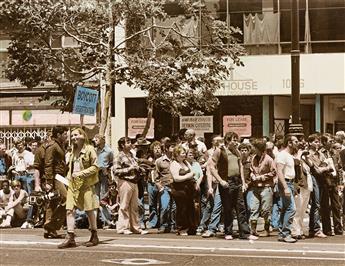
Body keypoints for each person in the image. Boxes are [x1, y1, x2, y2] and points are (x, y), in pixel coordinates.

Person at [210, 131, 257, 241]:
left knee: (241, 207)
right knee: (228, 208)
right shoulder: (220, 151)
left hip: (237, 182)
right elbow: (212, 167)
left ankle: (244, 233)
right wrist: (220, 180)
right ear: (227, 140)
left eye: (237, 140)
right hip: (227, 182)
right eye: (234, 140)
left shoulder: (237, 151)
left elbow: (240, 166)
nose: (236, 142)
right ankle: (228, 231)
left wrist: (243, 182)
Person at [58, 127, 100, 249]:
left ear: (83, 136)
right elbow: (71, 168)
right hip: (73, 184)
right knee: (69, 209)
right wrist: (67, 180)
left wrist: (81, 174)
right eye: (72, 136)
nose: (73, 137)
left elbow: (95, 167)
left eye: (76, 135)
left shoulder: (90, 149)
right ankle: (70, 236)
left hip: (86, 184)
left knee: (89, 209)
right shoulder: (72, 150)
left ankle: (94, 234)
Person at [35, 126, 68, 239]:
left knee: (52, 202)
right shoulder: (52, 146)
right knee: (66, 199)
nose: (66, 136)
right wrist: (49, 181)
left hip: (60, 177)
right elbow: (48, 164)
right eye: (64, 134)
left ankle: (50, 229)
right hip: (55, 177)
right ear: (58, 135)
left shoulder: (59, 145)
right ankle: (51, 225)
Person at [113, 137, 148, 235]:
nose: (130, 144)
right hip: (125, 181)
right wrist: (130, 168)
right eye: (127, 142)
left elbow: (135, 166)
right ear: (122, 145)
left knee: (134, 206)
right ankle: (123, 228)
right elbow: (116, 171)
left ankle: (135, 227)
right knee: (124, 205)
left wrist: (140, 169)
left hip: (134, 181)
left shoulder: (132, 155)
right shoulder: (119, 156)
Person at [247, 139, 276, 237]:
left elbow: (274, 172)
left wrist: (262, 177)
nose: (253, 150)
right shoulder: (253, 158)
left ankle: (267, 229)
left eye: (255, 148)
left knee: (265, 210)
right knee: (253, 208)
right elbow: (251, 169)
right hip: (255, 187)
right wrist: (252, 175)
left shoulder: (268, 159)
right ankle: (253, 230)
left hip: (266, 187)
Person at [275, 135, 298, 243]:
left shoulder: (289, 155)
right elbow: (279, 172)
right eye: (295, 141)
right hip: (286, 183)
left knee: (285, 208)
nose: (297, 143)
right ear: (289, 143)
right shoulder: (282, 155)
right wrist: (285, 187)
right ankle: (286, 233)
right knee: (291, 209)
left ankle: (281, 233)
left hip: (290, 183)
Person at [170, 145, 198, 235]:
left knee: (190, 208)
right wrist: (188, 176)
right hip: (179, 190)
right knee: (182, 209)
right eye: (182, 153)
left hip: (189, 190)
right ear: (177, 154)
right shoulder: (174, 164)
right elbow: (176, 178)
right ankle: (181, 228)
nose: (184, 154)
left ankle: (191, 228)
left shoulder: (186, 162)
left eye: (184, 153)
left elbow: (193, 171)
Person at [93, 134, 113, 200]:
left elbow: (111, 162)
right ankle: (97, 207)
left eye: (96, 140)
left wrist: (106, 169)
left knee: (104, 190)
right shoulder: (95, 150)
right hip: (96, 172)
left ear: (102, 140)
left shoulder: (109, 151)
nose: (95, 141)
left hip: (104, 172)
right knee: (96, 190)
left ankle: (104, 207)